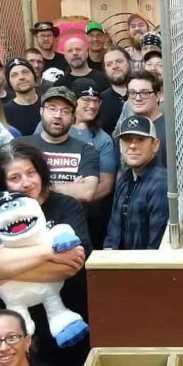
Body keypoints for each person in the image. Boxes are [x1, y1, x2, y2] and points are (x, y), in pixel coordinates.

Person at [0, 143, 90, 366]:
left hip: (58, 319)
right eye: (15, 178)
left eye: (30, 173)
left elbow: (72, 264)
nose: (25, 183)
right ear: (2, 183)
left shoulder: (66, 206)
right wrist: (48, 254)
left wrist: (3, 273)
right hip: (3, 317)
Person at [19, 86, 99, 206]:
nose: (58, 115)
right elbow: (9, 187)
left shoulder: (86, 151)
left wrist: (33, 187)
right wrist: (71, 187)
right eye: (52, 108)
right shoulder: (20, 146)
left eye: (65, 111)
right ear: (41, 112)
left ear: (73, 118)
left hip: (70, 220)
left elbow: (86, 192)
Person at [105, 115, 170, 250]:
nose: (133, 145)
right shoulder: (124, 178)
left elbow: (156, 244)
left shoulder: (161, 184)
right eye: (127, 140)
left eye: (140, 139)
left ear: (155, 145)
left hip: (144, 267)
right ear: (121, 146)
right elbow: (113, 229)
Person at [70, 79, 117, 248]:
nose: (91, 105)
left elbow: (106, 185)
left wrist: (79, 197)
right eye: (86, 100)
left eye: (96, 100)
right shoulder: (52, 127)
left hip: (90, 214)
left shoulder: (103, 139)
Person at [123, 71, 168, 167]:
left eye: (144, 93)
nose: (138, 98)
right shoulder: (124, 127)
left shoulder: (169, 130)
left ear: (157, 95)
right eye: (132, 93)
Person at [3, 58, 42, 137]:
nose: (21, 77)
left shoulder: (48, 104)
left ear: (34, 76)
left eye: (25, 72)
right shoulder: (4, 112)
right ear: (9, 82)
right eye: (14, 75)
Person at [99, 47, 131, 135]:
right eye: (109, 64)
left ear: (129, 63)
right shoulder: (100, 101)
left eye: (119, 61)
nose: (115, 66)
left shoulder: (143, 93)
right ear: (104, 70)